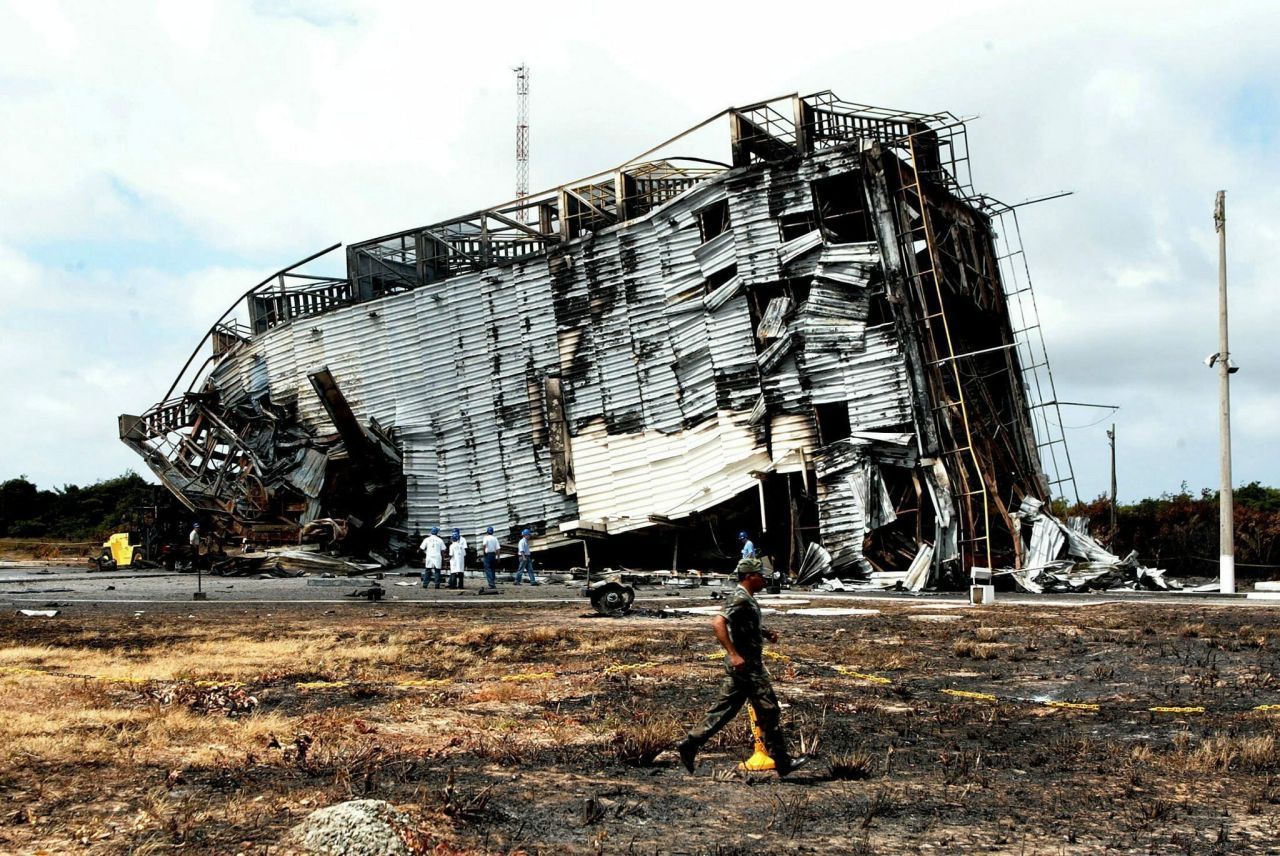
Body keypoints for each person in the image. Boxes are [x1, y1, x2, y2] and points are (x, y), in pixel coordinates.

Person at [675, 558, 806, 777]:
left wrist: (764, 633)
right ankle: (782, 762)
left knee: (724, 710)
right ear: (749, 576)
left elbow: (742, 624)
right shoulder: (739, 597)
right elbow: (718, 623)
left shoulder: (747, 598)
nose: (764, 579)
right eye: (760, 575)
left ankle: (690, 743)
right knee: (769, 710)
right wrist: (734, 654)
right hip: (747, 668)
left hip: (746, 667)